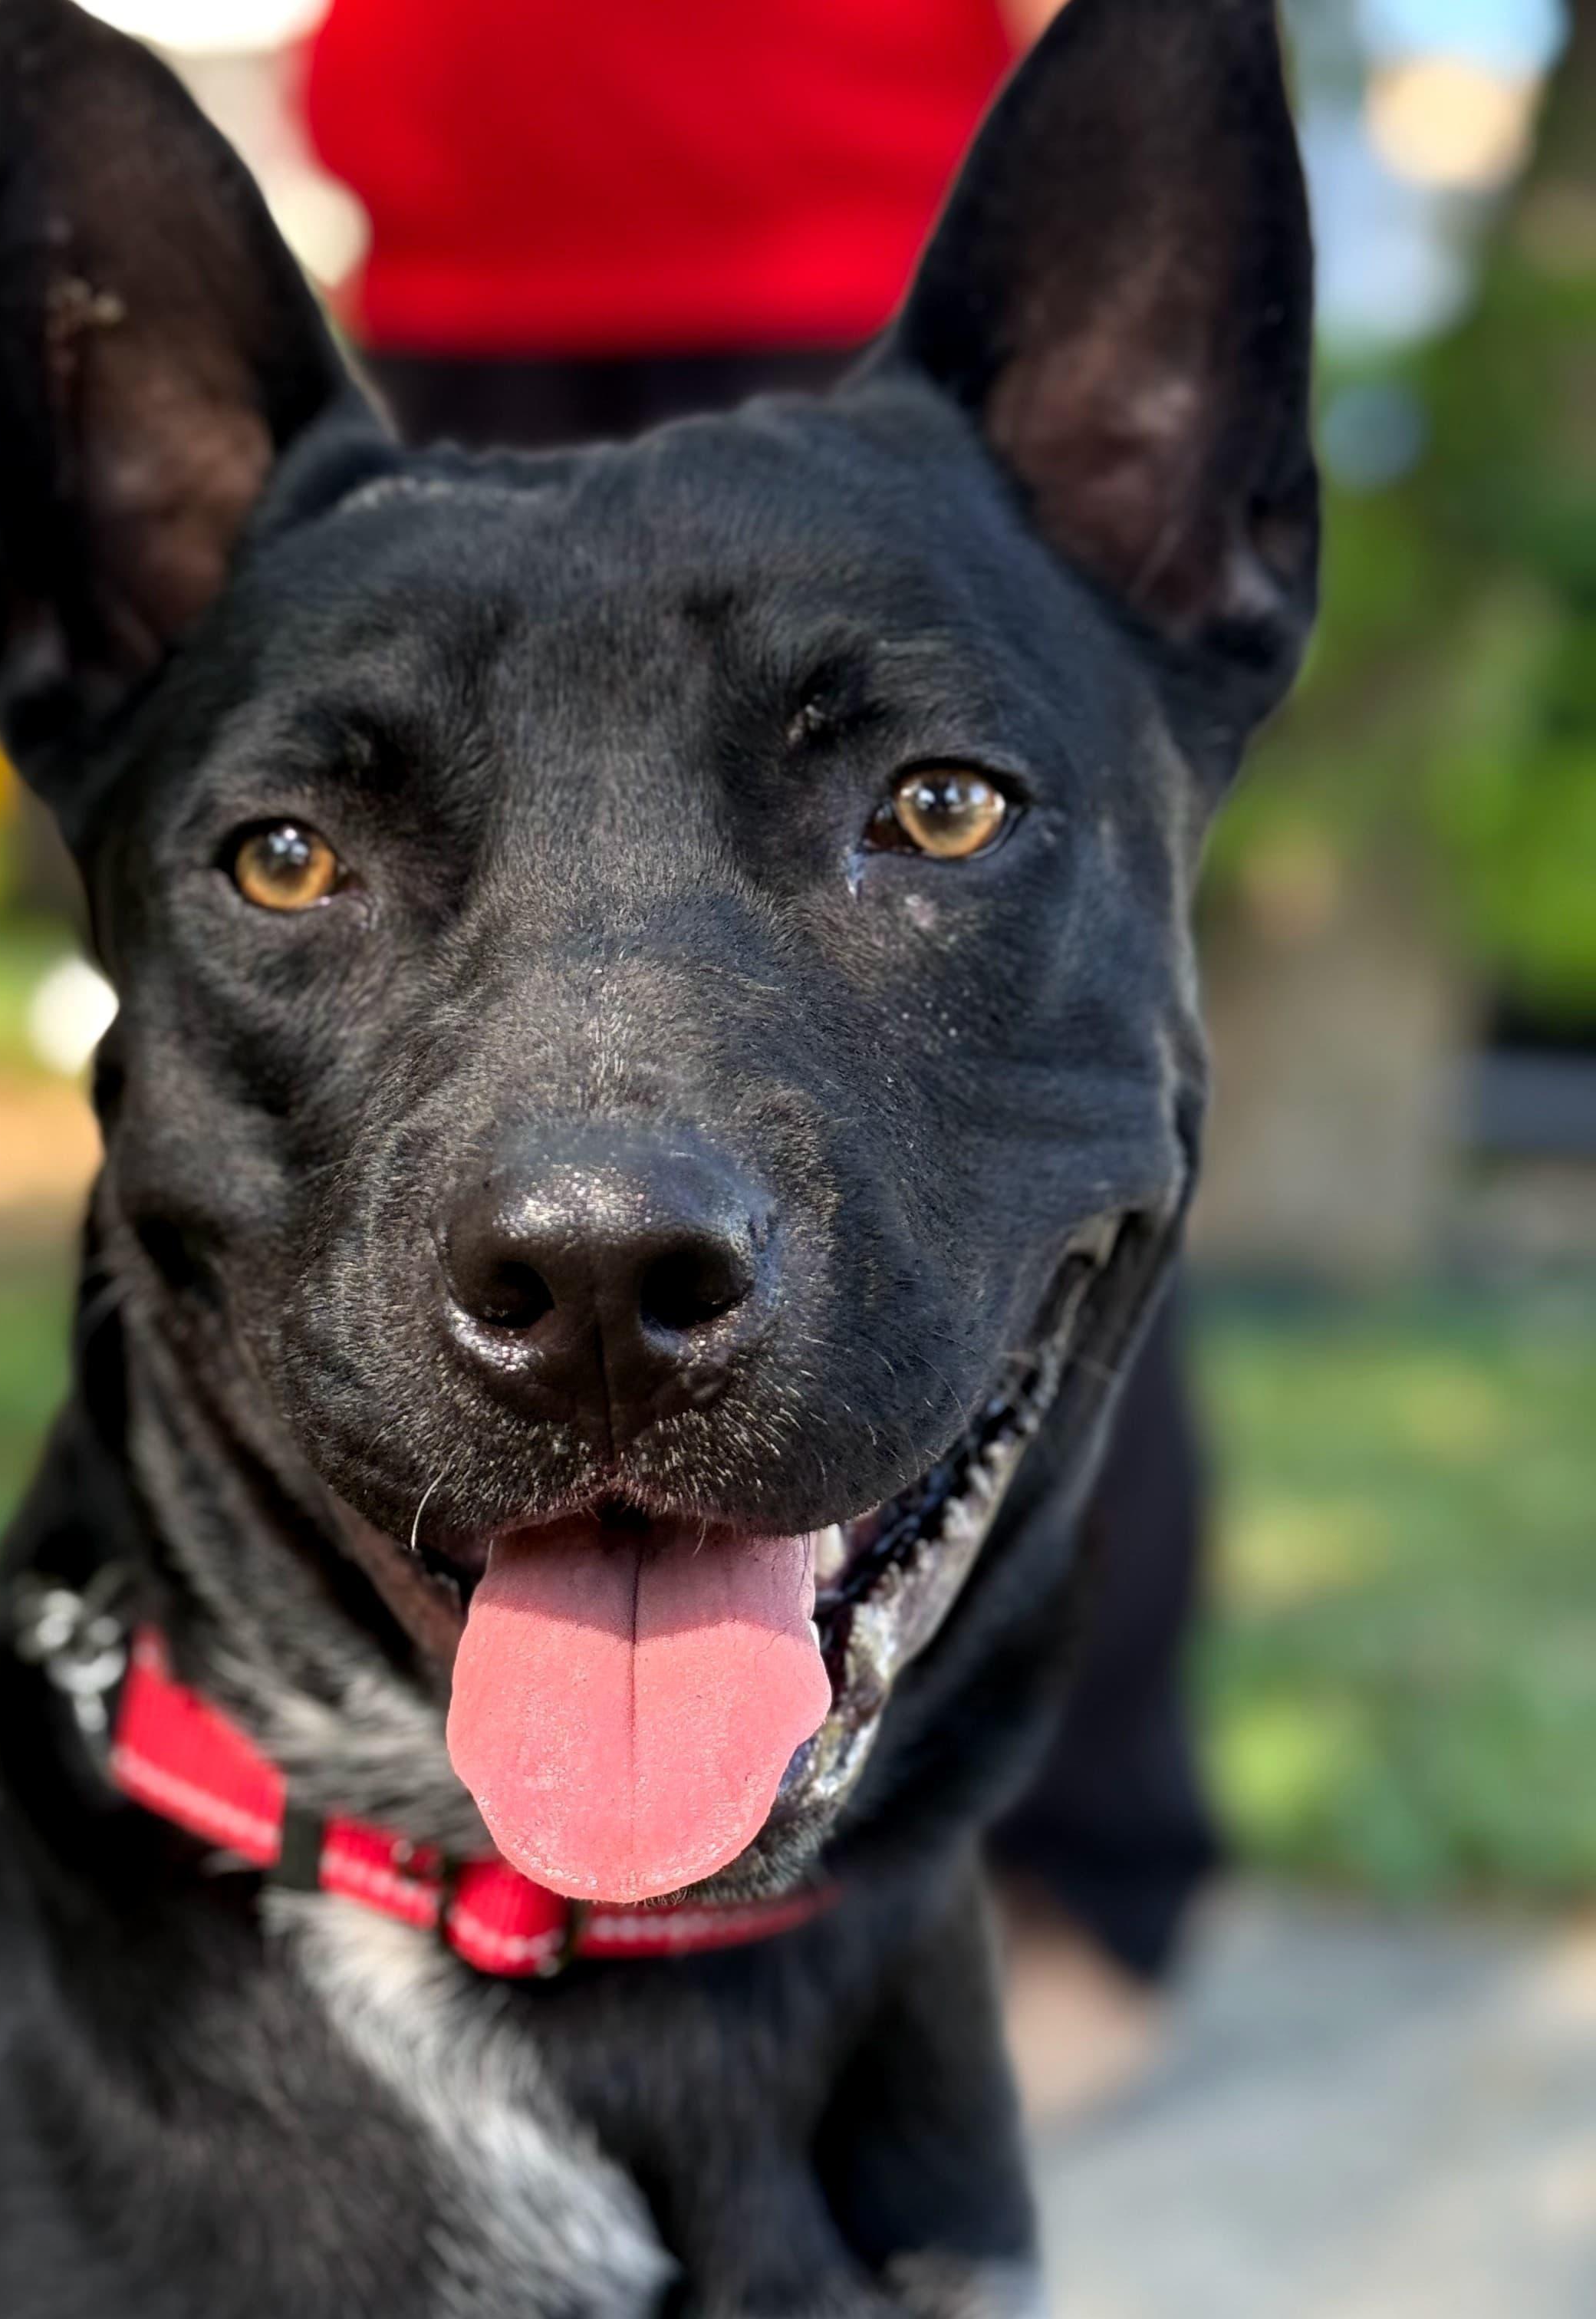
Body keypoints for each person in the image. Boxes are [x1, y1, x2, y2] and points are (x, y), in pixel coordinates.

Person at [304, 0, 1217, 2117]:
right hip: (462, 243)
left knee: (967, 1146)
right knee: (489, 1083)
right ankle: (510, 1814)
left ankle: (1083, 1870)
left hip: (840, 244)